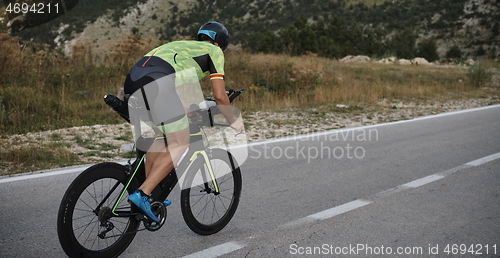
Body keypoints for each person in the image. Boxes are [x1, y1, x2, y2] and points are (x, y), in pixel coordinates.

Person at [124, 21, 244, 222]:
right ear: (220, 42)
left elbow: (171, 85)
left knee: (162, 138)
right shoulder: (214, 52)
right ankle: (143, 194)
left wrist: (186, 110)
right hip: (157, 84)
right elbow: (220, 95)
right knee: (181, 141)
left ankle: (149, 192)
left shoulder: (184, 48)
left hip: (134, 80)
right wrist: (233, 121)